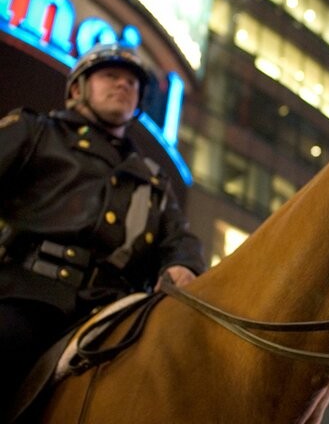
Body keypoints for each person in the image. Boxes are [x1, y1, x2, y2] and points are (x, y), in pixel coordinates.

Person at [0, 43, 206, 412]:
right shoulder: (35, 132)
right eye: (110, 76)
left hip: (115, 314)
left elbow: (180, 239)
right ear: (78, 88)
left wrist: (184, 264)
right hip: (25, 297)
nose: (123, 85)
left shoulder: (154, 181)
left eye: (132, 82)